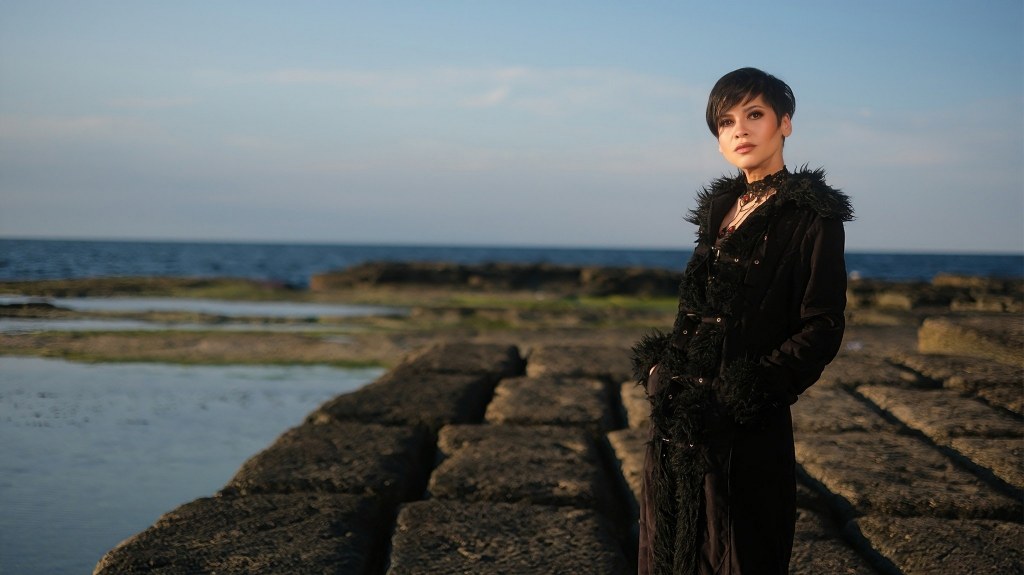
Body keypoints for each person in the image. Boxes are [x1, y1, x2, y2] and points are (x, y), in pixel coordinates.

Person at [631, 67, 853, 574]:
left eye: (754, 115)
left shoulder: (811, 215)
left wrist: (749, 392)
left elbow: (822, 324)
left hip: (743, 427)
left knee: (739, 553)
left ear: (784, 123)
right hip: (677, 419)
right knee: (668, 550)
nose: (740, 130)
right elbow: (695, 313)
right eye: (726, 122)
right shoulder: (720, 210)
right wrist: (659, 370)